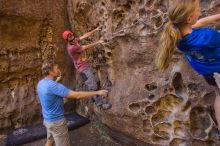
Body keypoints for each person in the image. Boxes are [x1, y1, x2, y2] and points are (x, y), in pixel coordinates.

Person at [155, 0, 220, 137]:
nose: (199, 11)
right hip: (217, 69)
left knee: (218, 95)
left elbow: (199, 23)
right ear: (189, 18)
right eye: (197, 9)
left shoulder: (176, 35)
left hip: (206, 70)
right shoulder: (207, 36)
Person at [37, 60, 108, 146]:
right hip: (57, 123)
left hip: (47, 121)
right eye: (57, 68)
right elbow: (77, 95)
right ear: (50, 72)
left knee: (49, 142)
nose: (59, 69)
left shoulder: (41, 83)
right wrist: (97, 92)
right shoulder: (55, 86)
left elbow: (49, 90)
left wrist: (56, 81)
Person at [62, 27, 112, 110]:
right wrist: (98, 42)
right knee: (93, 86)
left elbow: (84, 36)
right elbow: (85, 47)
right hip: (83, 69)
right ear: (67, 39)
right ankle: (100, 104)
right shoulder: (71, 48)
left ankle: (98, 97)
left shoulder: (75, 41)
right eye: (69, 36)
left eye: (70, 34)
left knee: (97, 81)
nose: (71, 36)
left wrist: (95, 30)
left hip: (87, 65)